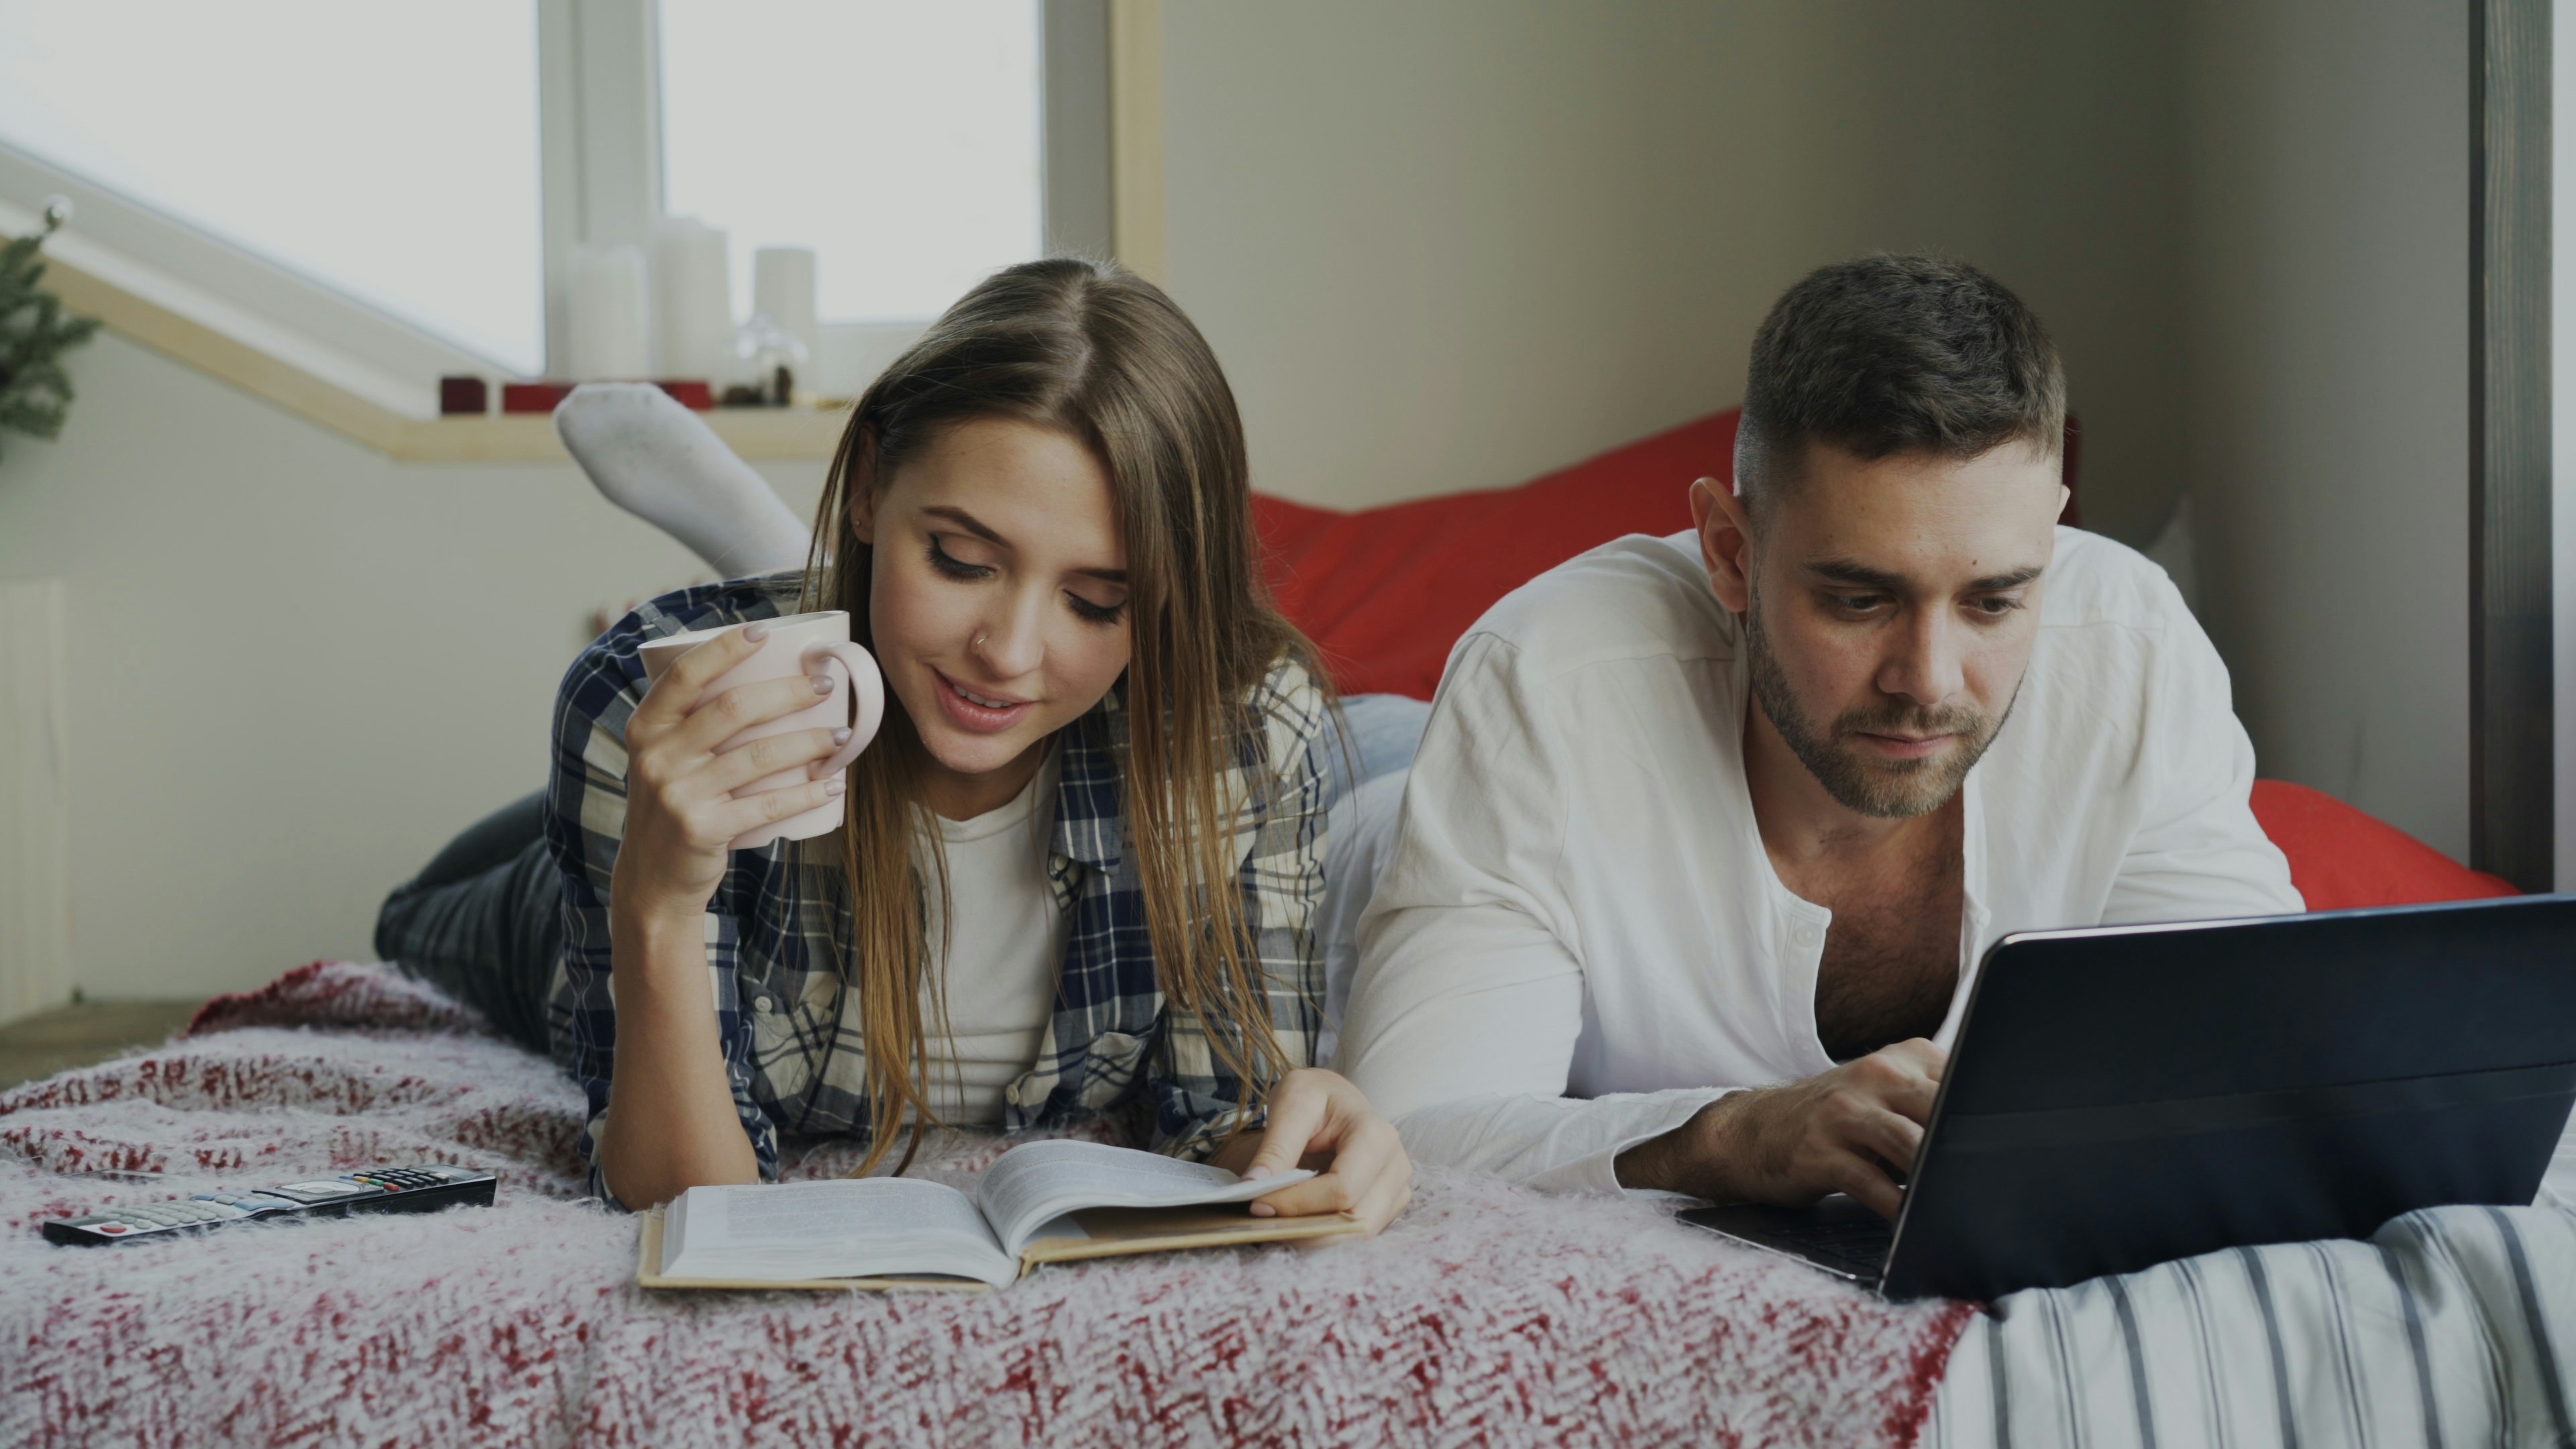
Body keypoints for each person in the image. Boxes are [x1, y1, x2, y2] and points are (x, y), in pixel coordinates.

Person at [377, 259, 1417, 1228]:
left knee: (1393, 743)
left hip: (907, 701)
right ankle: (822, 598)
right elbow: (686, 1200)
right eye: (962, 559)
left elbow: (1223, 1113)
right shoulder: (635, 702)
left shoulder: (1246, 730)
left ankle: (824, 586)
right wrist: (656, 902)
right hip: (579, 902)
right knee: (407, 921)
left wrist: (1309, 1140)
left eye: (1098, 602)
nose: (1010, 653)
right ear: (870, 480)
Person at [1335, 255, 2303, 1217]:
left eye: (1995, 600)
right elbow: (1418, 1138)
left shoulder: (2133, 648)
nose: (1927, 681)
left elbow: (2263, 1061)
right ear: (1729, 551)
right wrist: (1733, 1134)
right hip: (1359, 803)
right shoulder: (1542, 685)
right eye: (1857, 599)